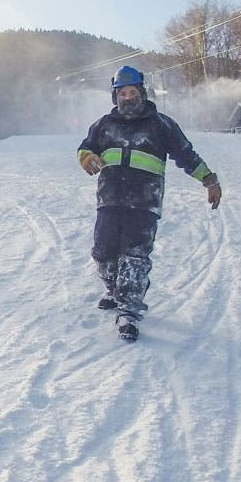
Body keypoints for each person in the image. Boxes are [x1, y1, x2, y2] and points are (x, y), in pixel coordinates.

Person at [78, 64, 221, 340]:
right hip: (109, 201)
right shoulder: (104, 125)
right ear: (115, 96)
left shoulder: (161, 125)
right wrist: (87, 157)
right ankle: (113, 288)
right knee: (103, 253)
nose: (127, 98)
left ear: (142, 92)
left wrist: (209, 180)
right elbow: (86, 147)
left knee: (135, 257)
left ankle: (129, 312)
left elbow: (187, 155)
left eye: (132, 92)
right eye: (122, 93)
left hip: (144, 204)